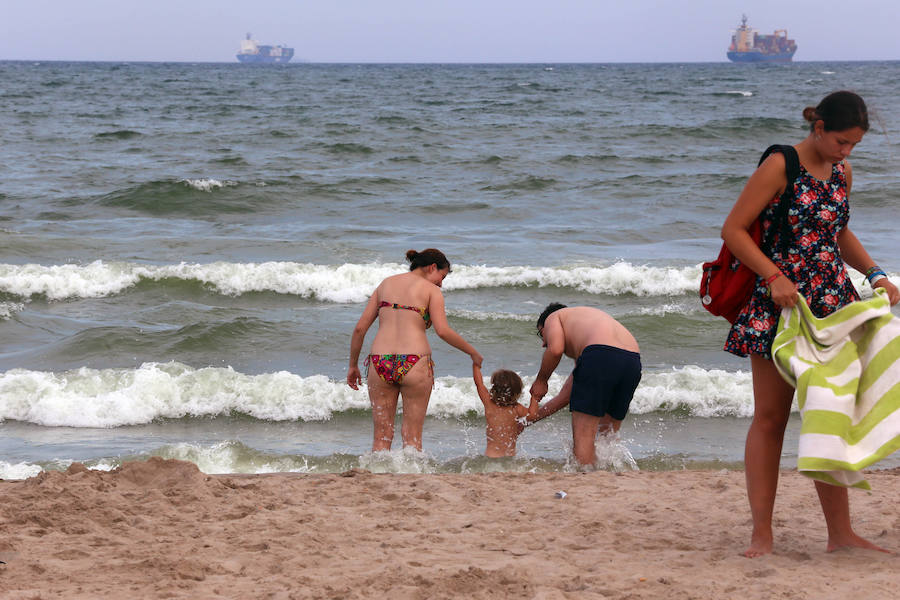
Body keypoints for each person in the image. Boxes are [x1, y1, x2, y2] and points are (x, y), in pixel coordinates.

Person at [720, 90, 900, 558]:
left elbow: (836, 231)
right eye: (841, 141)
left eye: (854, 145)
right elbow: (734, 230)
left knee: (831, 413)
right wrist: (774, 276)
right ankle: (762, 534)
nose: (846, 152)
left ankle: (840, 534)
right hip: (779, 305)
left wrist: (875, 272)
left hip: (832, 303)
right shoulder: (781, 165)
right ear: (818, 128)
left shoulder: (842, 171)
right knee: (771, 418)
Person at [347, 248, 483, 452]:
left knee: (381, 437)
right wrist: (473, 352)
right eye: (442, 276)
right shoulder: (431, 291)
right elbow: (443, 331)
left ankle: (379, 476)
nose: (441, 283)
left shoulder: (386, 284)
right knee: (412, 437)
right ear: (432, 267)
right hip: (415, 362)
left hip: (379, 362)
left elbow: (359, 329)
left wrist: (353, 365)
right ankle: (409, 476)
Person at [527, 303, 642, 466]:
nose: (543, 343)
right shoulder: (589, 327)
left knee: (584, 436)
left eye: (541, 334)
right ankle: (608, 474)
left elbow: (555, 350)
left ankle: (586, 475)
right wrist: (525, 422)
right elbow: (566, 396)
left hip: (600, 355)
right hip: (632, 361)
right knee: (607, 436)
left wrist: (541, 381)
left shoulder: (554, 316)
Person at [472, 364, 528, 457]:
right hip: (510, 458)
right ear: (517, 391)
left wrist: (476, 364)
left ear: (494, 388)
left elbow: (479, 384)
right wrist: (535, 397)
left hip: (490, 457)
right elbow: (535, 414)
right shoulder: (518, 409)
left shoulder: (489, 404)